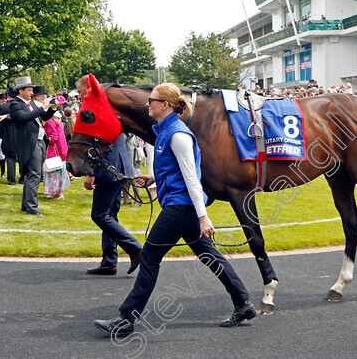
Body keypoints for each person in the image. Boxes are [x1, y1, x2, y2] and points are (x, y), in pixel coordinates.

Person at [94, 83, 256, 336]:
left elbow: (192, 178)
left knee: (148, 257)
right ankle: (243, 303)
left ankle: (126, 318)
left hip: (182, 207)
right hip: (181, 205)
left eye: (152, 100)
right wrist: (153, 178)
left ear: (165, 105)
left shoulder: (178, 135)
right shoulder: (166, 131)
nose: (147, 104)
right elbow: (177, 172)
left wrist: (203, 217)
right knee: (209, 255)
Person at [74, 76, 142, 275]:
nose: (78, 96)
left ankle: (135, 249)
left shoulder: (96, 111)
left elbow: (100, 145)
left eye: (79, 92)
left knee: (100, 215)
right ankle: (109, 261)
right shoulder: (108, 107)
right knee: (110, 216)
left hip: (108, 169)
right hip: (121, 167)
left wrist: (91, 173)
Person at [8, 76, 55, 216]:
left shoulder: (31, 104)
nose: (31, 92)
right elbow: (24, 118)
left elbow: (43, 117)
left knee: (33, 174)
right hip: (30, 142)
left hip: (39, 141)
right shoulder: (15, 104)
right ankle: (32, 207)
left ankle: (26, 205)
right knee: (34, 174)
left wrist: (52, 108)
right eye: (29, 90)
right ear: (20, 91)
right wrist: (43, 107)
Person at [43, 110, 70, 201]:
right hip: (61, 149)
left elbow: (53, 138)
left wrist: (45, 140)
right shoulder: (59, 122)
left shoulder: (50, 122)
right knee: (59, 172)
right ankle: (56, 192)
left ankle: (58, 193)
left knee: (53, 172)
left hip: (54, 150)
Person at [0, 89, 20, 185]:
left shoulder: (3, 107)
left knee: (10, 158)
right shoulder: (20, 106)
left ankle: (11, 180)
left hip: (8, 134)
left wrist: (2, 135)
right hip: (20, 134)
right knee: (22, 157)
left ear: (8, 96)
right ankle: (23, 177)